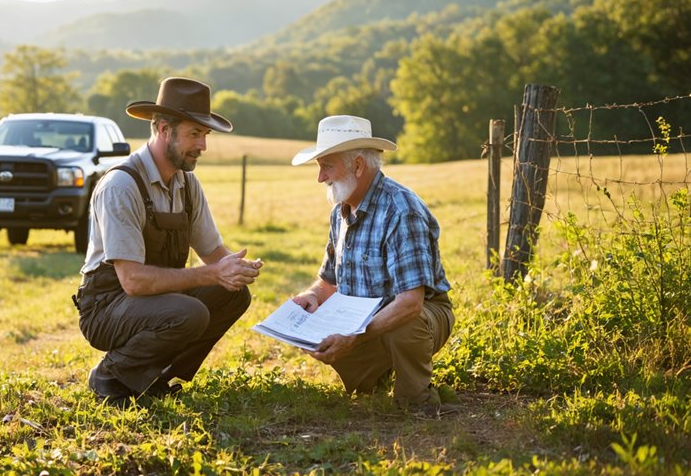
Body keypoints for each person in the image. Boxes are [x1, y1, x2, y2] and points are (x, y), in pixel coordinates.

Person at [74, 76, 263, 402]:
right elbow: (132, 281)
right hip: (106, 306)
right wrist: (211, 274)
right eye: (194, 134)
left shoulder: (187, 185)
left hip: (154, 300)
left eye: (204, 135)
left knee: (233, 295)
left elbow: (213, 252)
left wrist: (237, 268)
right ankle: (111, 375)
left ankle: (156, 377)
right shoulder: (121, 185)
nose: (203, 146)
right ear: (163, 130)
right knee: (189, 312)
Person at [289, 115, 454, 410]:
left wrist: (354, 337)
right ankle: (375, 378)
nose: (320, 178)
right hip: (364, 317)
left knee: (405, 326)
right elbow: (328, 281)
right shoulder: (340, 212)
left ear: (358, 166)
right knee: (315, 321)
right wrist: (311, 297)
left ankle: (417, 399)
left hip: (418, 313)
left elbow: (411, 303)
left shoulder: (401, 210)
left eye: (327, 166)